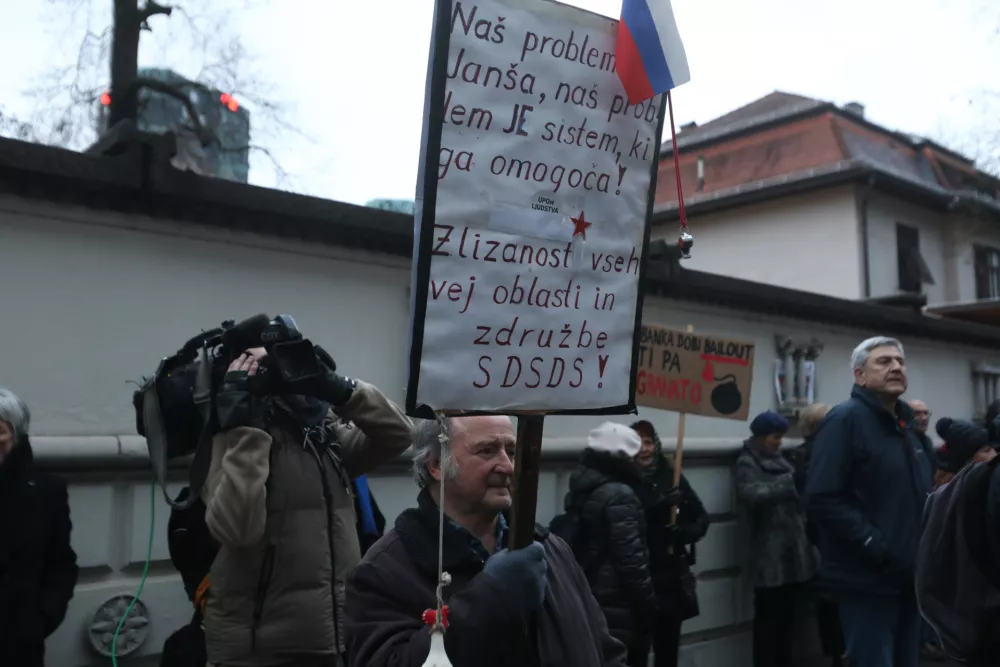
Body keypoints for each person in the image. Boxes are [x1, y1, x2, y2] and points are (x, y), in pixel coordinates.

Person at [344, 415, 628, 667]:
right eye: (487, 451)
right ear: (437, 464)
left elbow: (606, 652)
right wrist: (493, 597)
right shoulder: (385, 571)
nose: (507, 466)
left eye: (511, 452)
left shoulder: (552, 549)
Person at [201, 347, 413, 667]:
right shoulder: (232, 437)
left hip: (336, 638)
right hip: (260, 652)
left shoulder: (321, 434)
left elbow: (399, 433)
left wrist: (343, 390)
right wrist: (246, 428)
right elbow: (238, 531)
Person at [807, 336, 934, 667]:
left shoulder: (907, 426)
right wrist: (873, 543)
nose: (896, 367)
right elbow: (822, 496)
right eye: (884, 361)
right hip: (867, 578)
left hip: (910, 577)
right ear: (860, 375)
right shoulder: (844, 421)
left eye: (900, 361)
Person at [560, 422, 657, 667]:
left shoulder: (584, 484)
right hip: (617, 602)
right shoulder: (620, 494)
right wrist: (648, 605)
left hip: (590, 594)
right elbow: (631, 560)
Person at [0, 388, 79, 667]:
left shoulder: (47, 492)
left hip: (16, 647)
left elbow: (61, 566)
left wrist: (38, 621)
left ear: (16, 435)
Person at [735, 410, 818, 667]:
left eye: (781, 437)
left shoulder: (783, 459)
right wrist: (790, 483)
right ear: (761, 437)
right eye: (775, 437)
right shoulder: (748, 462)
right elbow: (752, 495)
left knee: (788, 622)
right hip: (769, 555)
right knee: (768, 623)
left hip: (794, 552)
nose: (779, 442)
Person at [630, 420, 709, 667]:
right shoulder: (625, 478)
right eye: (637, 443)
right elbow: (629, 519)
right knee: (636, 653)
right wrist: (659, 505)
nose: (644, 449)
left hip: (670, 579)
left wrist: (683, 533)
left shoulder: (670, 474)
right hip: (639, 579)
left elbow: (702, 518)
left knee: (667, 651)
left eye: (648, 442)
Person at [787, 404, 847, 667]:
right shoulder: (806, 455)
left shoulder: (836, 450)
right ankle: (836, 653)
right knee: (829, 600)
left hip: (835, 533)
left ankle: (839, 651)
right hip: (821, 535)